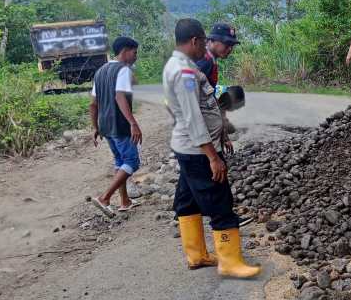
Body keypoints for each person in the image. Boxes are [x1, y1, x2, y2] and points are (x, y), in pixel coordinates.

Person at [163, 18, 260, 278]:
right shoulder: (185, 72)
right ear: (195, 40)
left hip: (187, 146)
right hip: (196, 150)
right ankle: (230, 262)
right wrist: (213, 157)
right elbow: (193, 117)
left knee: (187, 199)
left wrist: (220, 133)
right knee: (220, 201)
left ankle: (196, 255)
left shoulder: (180, 65)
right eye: (203, 41)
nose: (205, 46)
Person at [89, 36, 142, 216]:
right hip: (119, 125)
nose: (135, 57)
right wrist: (133, 123)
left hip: (105, 126)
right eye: (134, 53)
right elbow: (120, 97)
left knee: (120, 161)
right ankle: (105, 197)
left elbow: (93, 103)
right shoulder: (123, 70)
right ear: (125, 51)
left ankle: (125, 201)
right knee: (132, 161)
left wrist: (95, 127)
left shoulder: (100, 71)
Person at [196, 22, 241, 142]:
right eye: (226, 44)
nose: (230, 49)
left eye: (232, 45)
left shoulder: (210, 59)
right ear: (211, 41)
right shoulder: (205, 62)